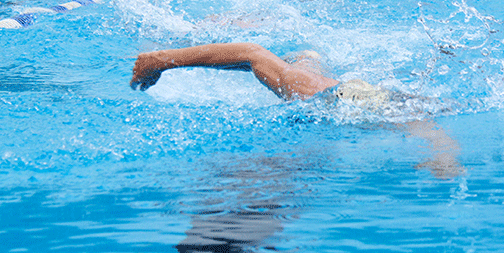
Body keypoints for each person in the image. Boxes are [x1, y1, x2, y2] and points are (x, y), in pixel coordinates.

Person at [130, 42, 464, 179]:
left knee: (300, 69)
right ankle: (160, 59)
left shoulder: (410, 109)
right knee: (256, 57)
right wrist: (446, 161)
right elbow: (435, 135)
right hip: (342, 97)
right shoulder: (413, 114)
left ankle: (307, 55)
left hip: (352, 93)